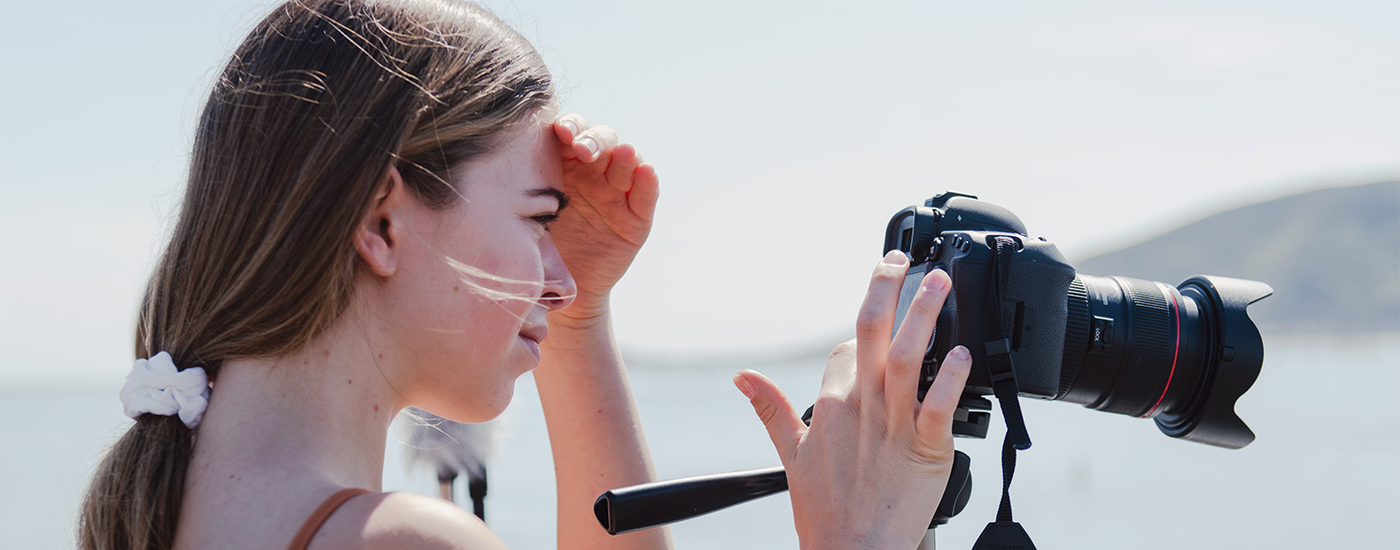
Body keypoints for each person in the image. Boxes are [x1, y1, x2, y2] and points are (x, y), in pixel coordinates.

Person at [79, 1, 973, 549]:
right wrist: (859, 537)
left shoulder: (163, 512)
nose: (561, 274)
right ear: (381, 222)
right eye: (540, 220)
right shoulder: (399, 544)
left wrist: (576, 326)